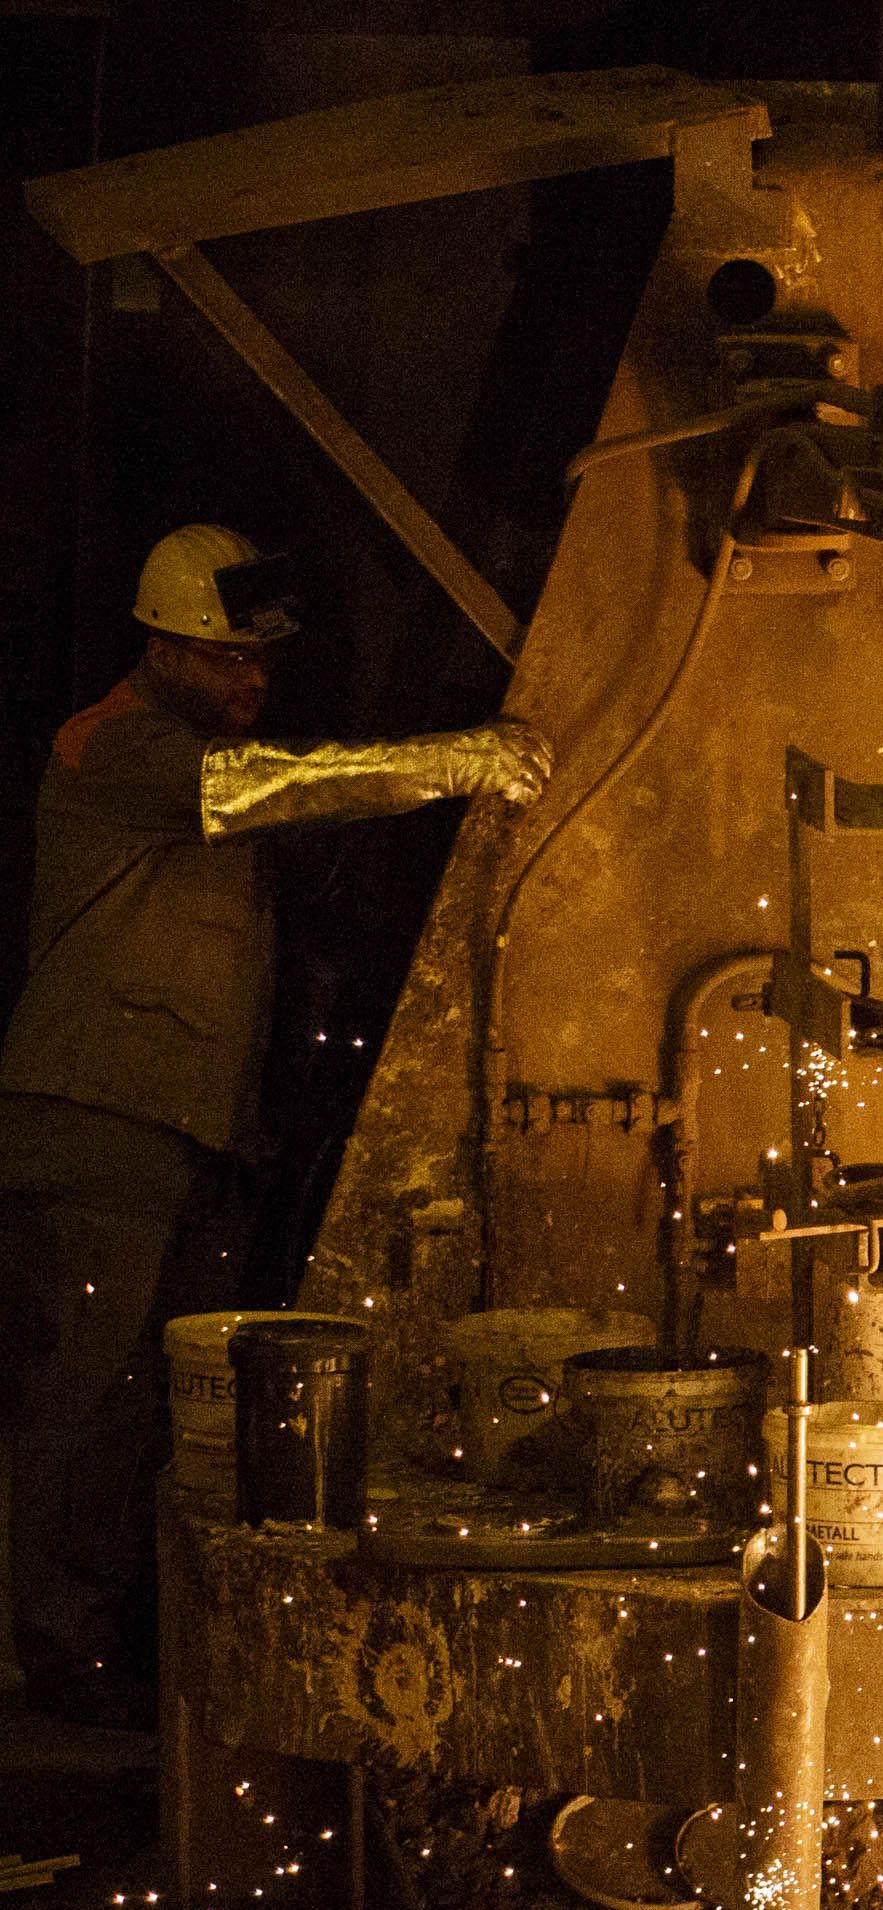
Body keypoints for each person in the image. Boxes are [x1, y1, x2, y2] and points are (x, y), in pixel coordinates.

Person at [3, 524, 547, 1724]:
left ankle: (73, 1641)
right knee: (73, 1390)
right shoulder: (121, 749)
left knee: (140, 1396)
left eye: (264, 664)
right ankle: (27, 1646)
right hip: (94, 1119)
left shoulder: (191, 758)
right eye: (230, 661)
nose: (254, 681)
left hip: (177, 1129)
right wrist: (454, 759)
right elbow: (279, 787)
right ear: (163, 646)